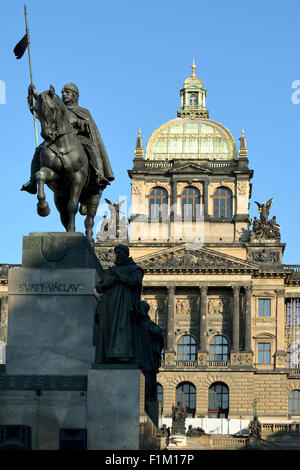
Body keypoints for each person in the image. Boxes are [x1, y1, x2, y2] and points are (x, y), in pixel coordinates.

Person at [21, 82, 114, 194]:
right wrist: (32, 95)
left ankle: (99, 175)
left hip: (79, 138)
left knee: (92, 147)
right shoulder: (58, 108)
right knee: (39, 150)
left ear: (74, 95)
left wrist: (78, 121)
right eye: (63, 93)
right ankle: (33, 183)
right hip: (57, 139)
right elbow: (41, 110)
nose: (64, 94)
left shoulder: (84, 111)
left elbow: (89, 127)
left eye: (67, 92)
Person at [94, 244, 143, 363]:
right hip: (109, 305)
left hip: (123, 305)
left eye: (121, 254)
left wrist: (119, 276)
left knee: (122, 330)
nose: (118, 256)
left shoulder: (135, 269)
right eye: (117, 254)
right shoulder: (110, 271)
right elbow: (99, 287)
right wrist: (107, 284)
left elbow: (135, 282)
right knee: (106, 331)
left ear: (126, 255)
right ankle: (106, 357)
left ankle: (122, 356)